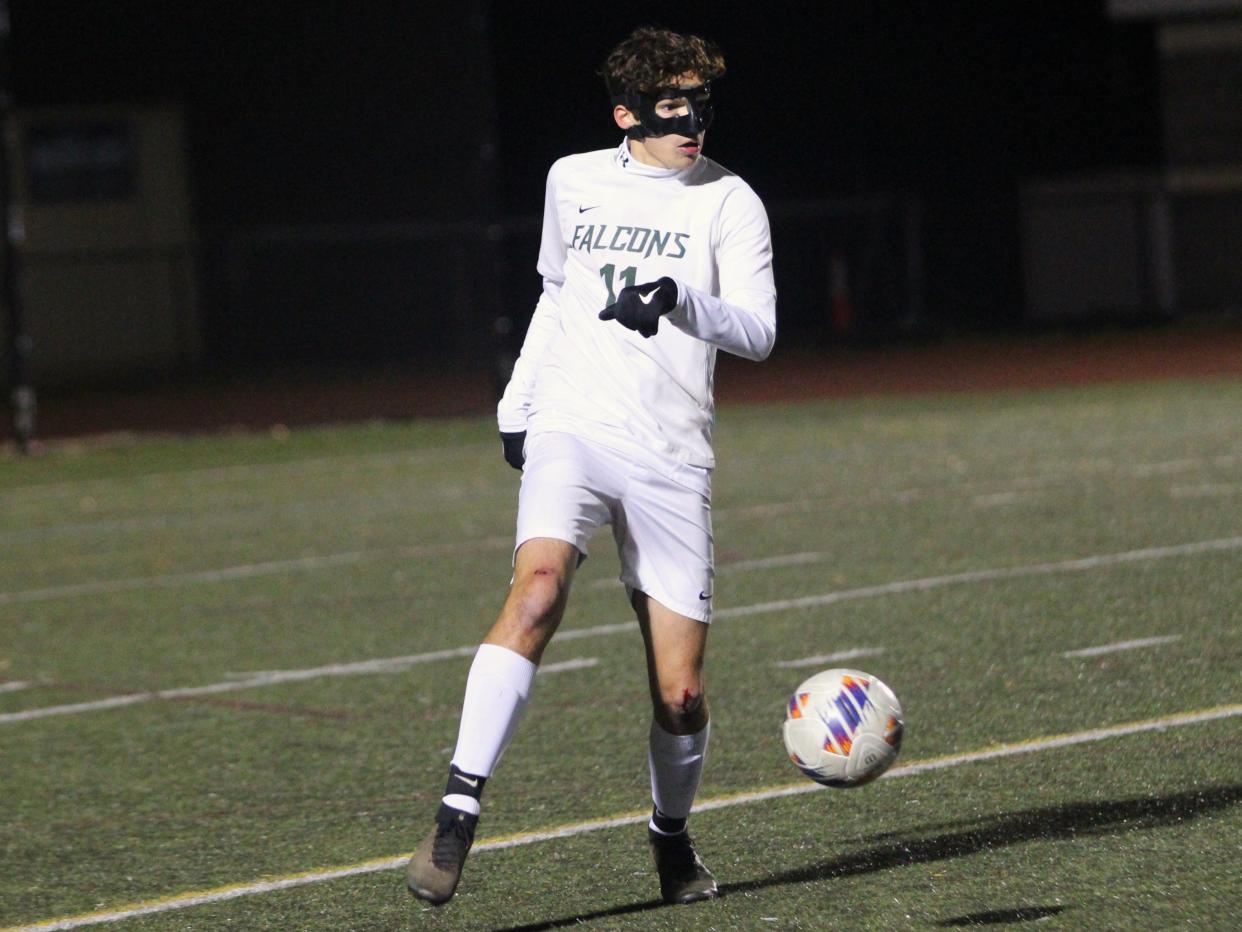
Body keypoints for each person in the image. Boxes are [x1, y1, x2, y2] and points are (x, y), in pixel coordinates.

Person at [406, 24, 776, 907]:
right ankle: (457, 813)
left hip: (670, 454)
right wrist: (517, 401)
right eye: (673, 109)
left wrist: (684, 302)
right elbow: (556, 292)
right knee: (536, 591)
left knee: (681, 694)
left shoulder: (730, 201)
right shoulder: (572, 180)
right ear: (627, 114)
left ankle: (671, 840)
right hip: (574, 423)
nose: (693, 126)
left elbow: (759, 333)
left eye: (702, 107)